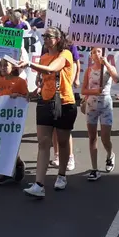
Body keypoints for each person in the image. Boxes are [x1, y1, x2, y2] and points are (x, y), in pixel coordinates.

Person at [17, 27, 77, 198]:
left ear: (58, 39)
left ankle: (62, 175)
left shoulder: (65, 54)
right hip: (45, 103)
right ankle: (39, 184)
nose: (46, 39)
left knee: (63, 142)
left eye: (49, 36)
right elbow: (45, 79)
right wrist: (36, 90)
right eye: (44, 36)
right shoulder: (43, 57)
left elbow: (51, 69)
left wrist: (30, 64)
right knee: (43, 143)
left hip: (64, 103)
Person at [81, 47, 119, 180]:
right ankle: (94, 168)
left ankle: (110, 154)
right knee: (92, 138)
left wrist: (107, 64)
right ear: (91, 55)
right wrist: (94, 92)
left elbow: (117, 79)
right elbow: (84, 90)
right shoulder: (89, 70)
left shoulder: (108, 68)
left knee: (105, 138)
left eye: (99, 51)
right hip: (91, 106)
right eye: (93, 52)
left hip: (105, 105)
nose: (96, 54)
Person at [0, 58, 28, 186]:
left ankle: (10, 171)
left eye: (7, 65)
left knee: (10, 145)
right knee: (2, 144)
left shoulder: (20, 81)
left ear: (14, 67)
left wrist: (18, 96)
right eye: (2, 65)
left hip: (13, 119)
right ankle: (15, 166)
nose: (4, 68)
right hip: (1, 117)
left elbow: (27, 98)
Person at [51, 39, 81, 171]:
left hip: (64, 92)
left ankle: (70, 157)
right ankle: (57, 155)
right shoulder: (48, 49)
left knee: (64, 130)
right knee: (53, 128)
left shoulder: (69, 46)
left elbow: (76, 62)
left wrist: (76, 78)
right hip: (51, 93)